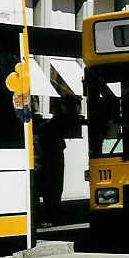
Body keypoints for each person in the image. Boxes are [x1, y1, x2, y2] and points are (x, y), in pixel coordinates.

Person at [37, 96, 79, 227]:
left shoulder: (60, 119)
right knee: (55, 186)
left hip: (50, 155)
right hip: (55, 154)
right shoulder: (65, 119)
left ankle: (52, 214)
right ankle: (55, 213)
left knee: (51, 187)